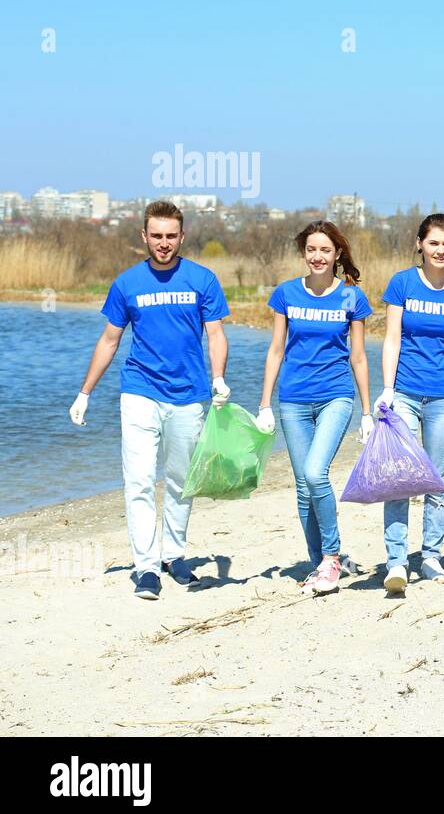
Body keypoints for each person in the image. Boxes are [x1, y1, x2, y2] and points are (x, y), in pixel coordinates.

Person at [69, 200, 230, 600]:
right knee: (139, 481)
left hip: (189, 395)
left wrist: (219, 378)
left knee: (180, 481)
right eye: (156, 236)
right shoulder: (127, 283)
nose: (163, 243)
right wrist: (84, 392)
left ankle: (174, 556)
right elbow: (110, 339)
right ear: (144, 236)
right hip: (139, 392)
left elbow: (215, 335)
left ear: (182, 235)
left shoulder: (202, 279)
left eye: (170, 236)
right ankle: (145, 568)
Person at [257, 221, 373, 596]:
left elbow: (358, 357)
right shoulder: (286, 293)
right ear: (303, 253)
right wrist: (264, 404)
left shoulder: (352, 298)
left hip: (335, 396)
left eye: (325, 250)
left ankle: (332, 555)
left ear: (337, 253)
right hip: (292, 399)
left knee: (314, 472)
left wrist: (368, 411)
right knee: (304, 487)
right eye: (311, 250)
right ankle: (319, 562)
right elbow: (276, 350)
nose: (318, 256)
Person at [374, 214, 444, 595]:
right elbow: (392, 339)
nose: (440, 250)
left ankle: (431, 555)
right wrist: (385, 389)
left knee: (438, 476)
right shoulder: (402, 283)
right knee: (400, 475)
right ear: (420, 243)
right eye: (433, 243)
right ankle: (396, 561)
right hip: (403, 393)